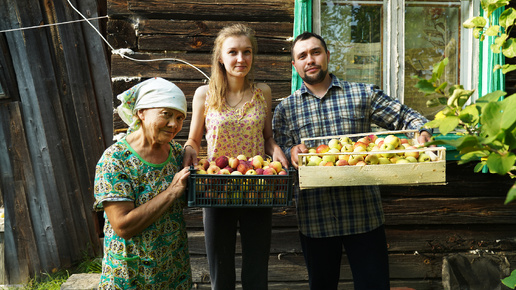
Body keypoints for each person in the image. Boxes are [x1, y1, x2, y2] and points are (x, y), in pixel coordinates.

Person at [272, 32, 433, 289]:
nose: (310, 59)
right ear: (295, 65)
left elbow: (409, 118)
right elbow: (281, 153)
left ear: (327, 55)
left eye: (316, 52)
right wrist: (291, 152)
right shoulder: (285, 110)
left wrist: (422, 132)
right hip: (316, 219)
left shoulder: (362, 94)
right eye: (302, 56)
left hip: (363, 216)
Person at [182, 24, 289, 289]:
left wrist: (276, 151)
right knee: (221, 268)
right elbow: (194, 139)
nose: (241, 59)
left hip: (256, 186)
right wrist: (188, 152)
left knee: (256, 267)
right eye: (233, 52)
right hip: (216, 187)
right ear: (220, 56)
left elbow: (266, 138)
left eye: (247, 52)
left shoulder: (262, 92)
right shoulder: (204, 95)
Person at [93, 77, 192, 289]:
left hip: (173, 271)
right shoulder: (115, 160)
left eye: (180, 117)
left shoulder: (175, 153)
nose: (174, 124)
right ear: (141, 112)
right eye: (166, 114)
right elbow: (122, 226)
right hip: (131, 276)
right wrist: (172, 192)